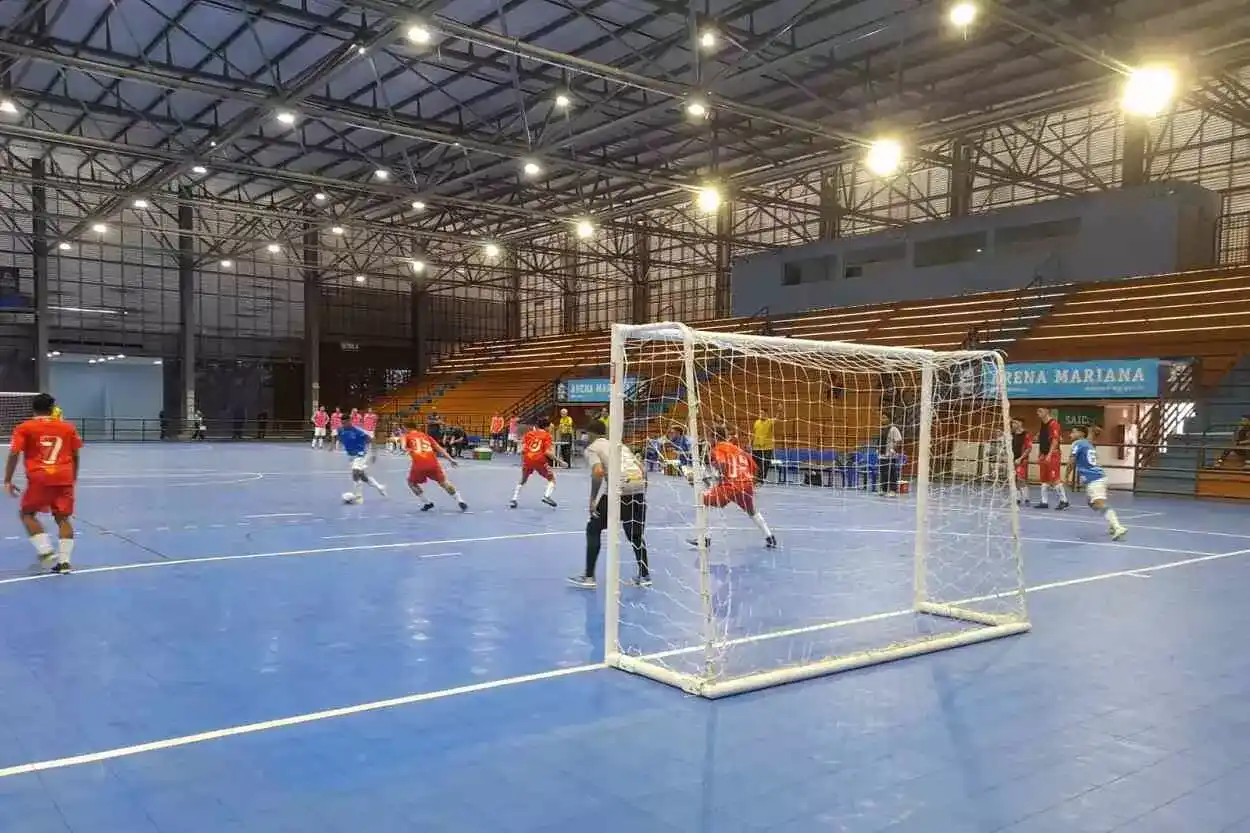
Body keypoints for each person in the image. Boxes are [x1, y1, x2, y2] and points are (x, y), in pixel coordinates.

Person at [3, 393, 82, 574]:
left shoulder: (24, 428)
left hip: (40, 477)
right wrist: (73, 477)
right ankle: (64, 563)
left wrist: (7, 480)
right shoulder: (68, 428)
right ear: (52, 408)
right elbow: (75, 455)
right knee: (63, 518)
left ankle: (45, 551)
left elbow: (14, 453)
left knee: (27, 514)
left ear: (33, 408)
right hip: (64, 476)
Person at [570, 420, 650, 588]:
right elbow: (642, 469)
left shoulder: (592, 448)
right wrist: (640, 491)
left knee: (593, 528)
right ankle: (645, 576)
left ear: (591, 434)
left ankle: (589, 577)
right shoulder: (620, 445)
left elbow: (598, 472)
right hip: (638, 486)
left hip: (618, 489)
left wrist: (593, 499)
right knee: (635, 533)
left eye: (586, 434)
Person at [688, 425, 777, 549]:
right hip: (746, 485)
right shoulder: (739, 450)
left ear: (714, 437)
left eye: (709, 437)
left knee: (703, 501)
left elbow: (722, 465)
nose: (708, 440)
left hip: (731, 486)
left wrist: (710, 476)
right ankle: (769, 536)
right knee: (751, 511)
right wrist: (751, 482)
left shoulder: (717, 449)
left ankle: (705, 538)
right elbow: (755, 468)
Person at [1066, 425, 1126, 541]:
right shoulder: (1088, 444)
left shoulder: (1078, 444)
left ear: (1080, 434)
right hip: (1096, 478)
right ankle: (1112, 524)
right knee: (1092, 503)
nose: (1070, 435)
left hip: (1094, 479)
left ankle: (1117, 526)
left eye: (1073, 432)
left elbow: (1072, 461)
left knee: (1099, 503)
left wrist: (1066, 475)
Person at [402, 420, 467, 512]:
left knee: (411, 483)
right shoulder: (426, 436)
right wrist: (451, 459)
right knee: (444, 482)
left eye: (403, 428)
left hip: (419, 464)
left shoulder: (406, 436)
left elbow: (403, 447)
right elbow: (439, 448)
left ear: (407, 428)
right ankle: (460, 500)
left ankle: (427, 503)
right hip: (433, 463)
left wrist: (407, 449)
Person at [339, 414, 386, 504]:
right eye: (342, 423)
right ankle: (379, 487)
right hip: (351, 456)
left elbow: (371, 440)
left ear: (350, 421)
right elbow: (341, 439)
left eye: (345, 423)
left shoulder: (358, 431)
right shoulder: (341, 430)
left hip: (361, 454)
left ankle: (358, 498)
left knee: (355, 472)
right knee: (362, 476)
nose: (344, 425)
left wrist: (374, 453)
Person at [510, 421, 557, 509]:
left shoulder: (529, 433)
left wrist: (524, 460)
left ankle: (514, 499)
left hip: (527, 459)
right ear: (546, 427)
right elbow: (547, 452)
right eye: (550, 427)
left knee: (523, 479)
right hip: (539, 460)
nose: (551, 429)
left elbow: (523, 450)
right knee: (552, 479)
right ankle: (546, 496)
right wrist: (560, 461)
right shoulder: (547, 436)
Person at [1034, 407, 1069, 510]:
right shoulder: (1042, 424)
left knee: (1055, 479)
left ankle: (1064, 501)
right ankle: (1044, 502)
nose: (1038, 413)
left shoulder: (1053, 424)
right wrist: (1040, 453)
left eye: (1040, 411)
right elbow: (1042, 440)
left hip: (1053, 454)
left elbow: (1055, 440)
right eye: (1037, 411)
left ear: (1047, 412)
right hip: (1044, 454)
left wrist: (1049, 454)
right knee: (1044, 479)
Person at [878, 411, 903, 497]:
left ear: (889, 419)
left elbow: (899, 440)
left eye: (884, 418)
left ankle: (893, 490)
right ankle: (884, 490)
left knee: (892, 473)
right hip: (882, 455)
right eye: (881, 418)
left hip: (891, 455)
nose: (882, 419)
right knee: (883, 473)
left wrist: (893, 449)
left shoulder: (893, 429)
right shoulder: (882, 428)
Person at [1010, 418, 1033, 506]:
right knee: (1014, 479)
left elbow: (1029, 448)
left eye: (1015, 423)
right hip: (1013, 459)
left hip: (1022, 460)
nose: (1012, 424)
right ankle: (1018, 498)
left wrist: (1020, 458)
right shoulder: (1012, 434)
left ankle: (1026, 498)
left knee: (1021, 479)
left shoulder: (1026, 434)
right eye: (1012, 423)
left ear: (1020, 423)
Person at [751, 413, 777, 484]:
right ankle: (755, 478)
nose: (760, 414)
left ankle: (761, 479)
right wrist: (751, 443)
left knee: (765, 464)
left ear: (766, 414)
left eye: (762, 413)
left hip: (767, 447)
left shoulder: (769, 421)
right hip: (756, 447)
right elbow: (754, 433)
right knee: (755, 464)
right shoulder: (756, 422)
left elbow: (777, 419)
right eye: (760, 413)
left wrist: (779, 411)